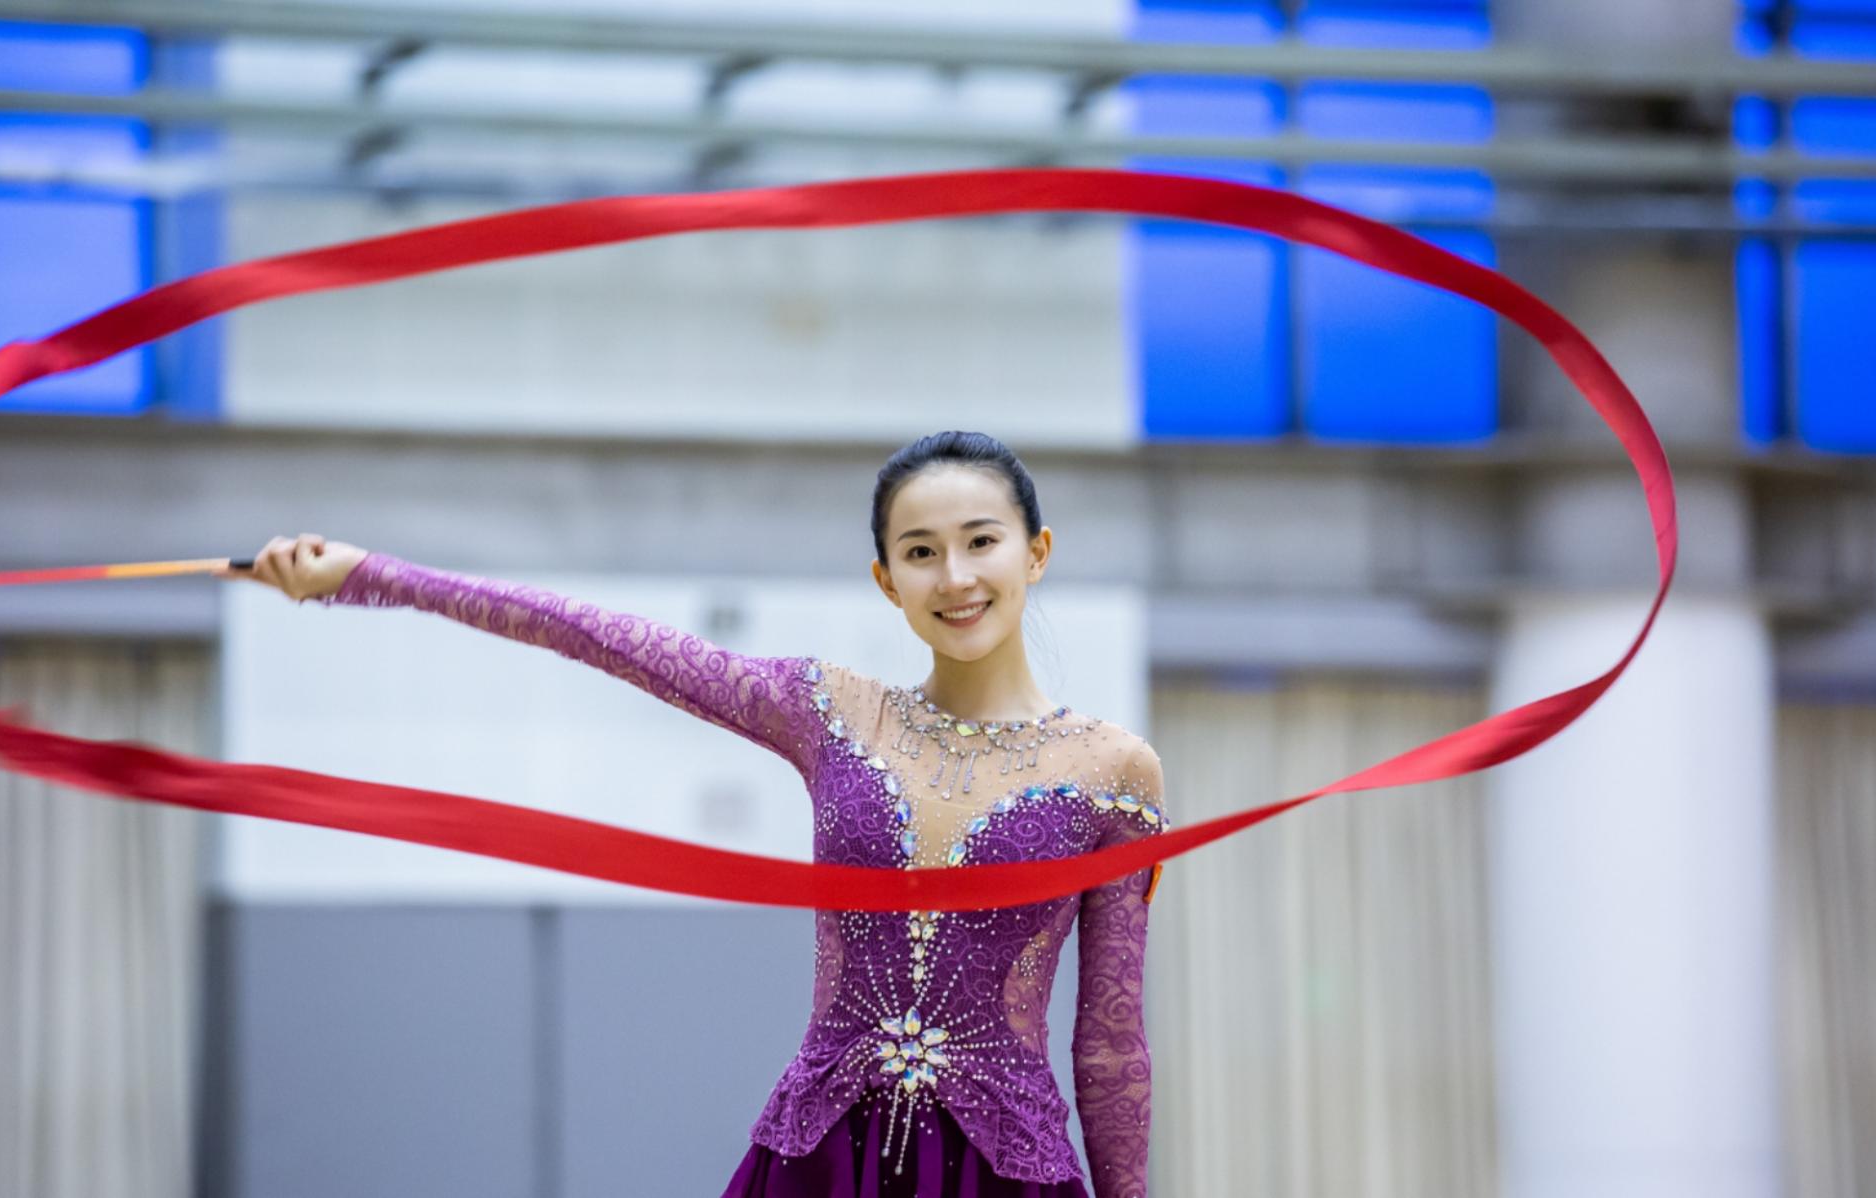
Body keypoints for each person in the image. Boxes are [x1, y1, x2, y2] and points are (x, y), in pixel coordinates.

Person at [219, 430, 1168, 1198]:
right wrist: (370, 577)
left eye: (980, 540)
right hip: (819, 1158)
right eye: (920, 553)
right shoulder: (832, 713)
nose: (955, 577)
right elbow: (596, 635)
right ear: (886, 578)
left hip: (1004, 1172)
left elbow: (1110, 1037)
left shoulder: (1113, 771)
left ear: (1035, 552)